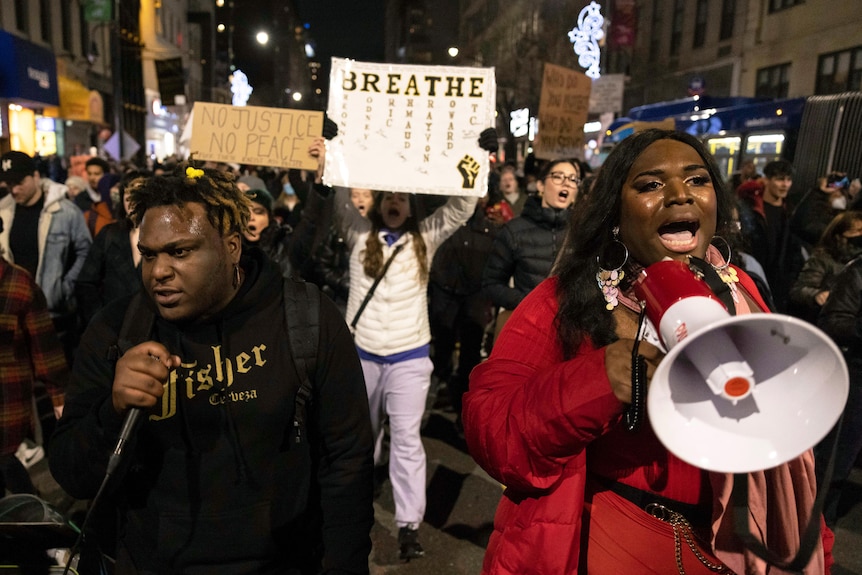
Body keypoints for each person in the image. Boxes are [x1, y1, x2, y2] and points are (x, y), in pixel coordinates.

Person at [463, 129, 833, 574]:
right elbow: (492, 431)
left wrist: (817, 548)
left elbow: (786, 451)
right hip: (612, 543)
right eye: (651, 185)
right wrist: (599, 379)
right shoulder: (562, 301)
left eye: (697, 180)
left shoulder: (742, 291)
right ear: (616, 213)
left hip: (732, 551)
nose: (680, 195)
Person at [48, 164, 374, 574]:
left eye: (180, 251)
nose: (158, 272)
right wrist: (111, 412)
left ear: (232, 246)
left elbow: (348, 462)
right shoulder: (117, 331)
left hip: (285, 562)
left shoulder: (307, 319)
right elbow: (70, 474)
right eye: (149, 254)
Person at [308, 126, 493, 560]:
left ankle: (409, 523)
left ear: (411, 206)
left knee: (407, 439)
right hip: (363, 355)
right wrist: (331, 150)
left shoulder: (423, 239)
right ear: (378, 203)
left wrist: (478, 156)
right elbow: (336, 195)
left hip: (410, 357)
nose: (394, 203)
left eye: (402, 198)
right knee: (360, 437)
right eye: (388, 197)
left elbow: (461, 207)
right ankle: (353, 503)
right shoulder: (357, 234)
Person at [0, 151, 92, 367]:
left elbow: (85, 251)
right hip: (12, 312)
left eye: (20, 182)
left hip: (53, 312)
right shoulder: (3, 211)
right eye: (9, 184)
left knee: (58, 375)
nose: (14, 190)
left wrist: (65, 288)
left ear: (35, 176)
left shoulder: (65, 211)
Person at [0, 217, 68, 497]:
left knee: (6, 464)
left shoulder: (18, 283)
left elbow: (45, 349)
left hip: (6, 400)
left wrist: (60, 398)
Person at [482, 158, 579, 340]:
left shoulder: (583, 232)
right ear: (540, 186)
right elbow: (491, 283)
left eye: (573, 179)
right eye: (558, 176)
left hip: (569, 334)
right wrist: (527, 303)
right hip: (528, 331)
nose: (566, 182)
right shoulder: (514, 231)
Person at [817, 252, 862, 528]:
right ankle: (817, 534)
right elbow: (833, 321)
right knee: (833, 466)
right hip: (855, 377)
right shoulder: (857, 271)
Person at [75, 170, 149, 329]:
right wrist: (100, 320)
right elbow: (86, 283)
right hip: (115, 328)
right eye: (127, 192)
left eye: (138, 191)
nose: (131, 198)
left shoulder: (165, 236)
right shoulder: (110, 234)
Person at [736, 159, 805, 313]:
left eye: (789, 180)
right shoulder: (749, 209)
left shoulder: (791, 211)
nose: (785, 184)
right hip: (754, 278)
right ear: (766, 180)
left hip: (781, 284)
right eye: (780, 179)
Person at [789, 210, 862, 323]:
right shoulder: (823, 258)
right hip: (822, 320)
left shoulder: (858, 264)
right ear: (839, 236)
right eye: (857, 231)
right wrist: (817, 295)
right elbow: (798, 291)